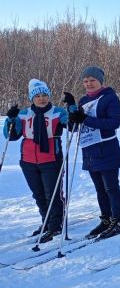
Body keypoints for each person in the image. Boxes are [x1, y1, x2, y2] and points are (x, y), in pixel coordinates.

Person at [3, 80, 68, 242]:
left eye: (45, 95)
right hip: (28, 161)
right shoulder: (24, 114)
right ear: (32, 98)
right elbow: (11, 136)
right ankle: (46, 221)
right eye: (37, 96)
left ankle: (56, 224)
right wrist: (10, 120)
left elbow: (73, 124)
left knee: (52, 194)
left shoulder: (57, 112)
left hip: (51, 159)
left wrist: (73, 110)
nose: (42, 99)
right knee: (38, 194)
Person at [66, 66, 120, 239]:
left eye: (92, 80)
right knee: (100, 189)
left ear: (100, 81)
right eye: (85, 81)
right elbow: (74, 127)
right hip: (89, 150)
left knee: (111, 188)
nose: (89, 84)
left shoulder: (109, 98)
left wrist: (87, 119)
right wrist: (72, 112)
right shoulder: (83, 100)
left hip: (107, 148)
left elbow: (113, 123)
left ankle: (117, 220)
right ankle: (106, 219)